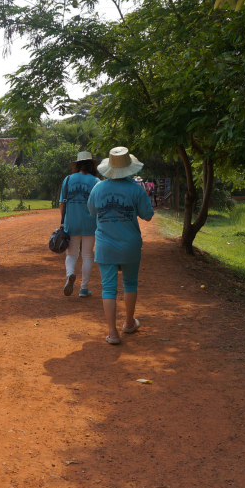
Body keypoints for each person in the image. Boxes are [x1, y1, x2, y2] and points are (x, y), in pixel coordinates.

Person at [87, 147, 154, 345]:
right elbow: (148, 216)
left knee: (108, 288)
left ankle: (112, 333)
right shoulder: (136, 189)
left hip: (105, 246)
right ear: (128, 168)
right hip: (130, 246)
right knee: (130, 283)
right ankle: (128, 324)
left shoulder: (98, 188)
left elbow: (92, 212)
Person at [59, 151, 100, 297]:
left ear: (77, 165)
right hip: (90, 223)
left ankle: (70, 274)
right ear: (91, 166)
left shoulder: (68, 179)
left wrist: (64, 221)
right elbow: (98, 205)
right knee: (87, 255)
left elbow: (62, 204)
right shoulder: (96, 182)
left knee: (71, 254)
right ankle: (84, 288)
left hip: (72, 222)